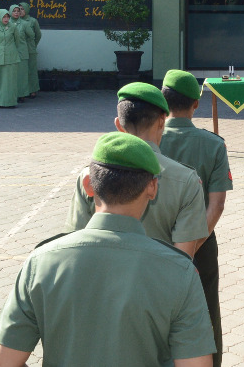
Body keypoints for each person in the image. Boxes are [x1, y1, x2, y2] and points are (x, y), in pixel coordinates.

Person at [0, 132, 215, 367]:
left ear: (88, 185)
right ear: (153, 188)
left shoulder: (41, 263)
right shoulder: (178, 270)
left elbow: (4, 366)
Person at [159, 69, 232, 367]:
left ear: (163, 100)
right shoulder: (212, 144)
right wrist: (191, 247)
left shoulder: (151, 138)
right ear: (197, 104)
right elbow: (215, 205)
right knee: (204, 325)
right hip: (199, 251)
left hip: (154, 246)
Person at [65, 83, 208, 256]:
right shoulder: (186, 180)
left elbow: (74, 241)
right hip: (156, 279)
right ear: (162, 121)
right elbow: (183, 256)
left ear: (118, 124)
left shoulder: (90, 175)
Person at [0, 9, 21, 109]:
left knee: (10, 80)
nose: (6, 19)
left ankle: (10, 102)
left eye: (7, 17)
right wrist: (0, 48)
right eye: (4, 17)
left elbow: (17, 41)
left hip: (11, 56)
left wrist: (9, 48)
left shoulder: (13, 27)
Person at [18, 2, 41, 99]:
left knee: (31, 70)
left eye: (22, 9)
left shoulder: (32, 21)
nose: (20, 11)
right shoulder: (16, 21)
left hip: (30, 48)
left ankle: (33, 90)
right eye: (19, 9)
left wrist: (33, 45)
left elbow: (38, 35)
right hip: (20, 49)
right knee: (22, 70)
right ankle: (23, 90)